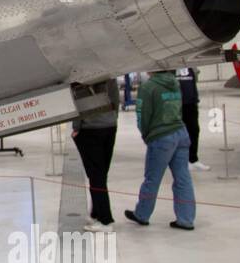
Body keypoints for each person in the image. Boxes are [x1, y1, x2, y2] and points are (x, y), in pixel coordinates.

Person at [125, 70, 196, 230]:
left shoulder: (148, 87)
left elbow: (142, 115)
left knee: (152, 178)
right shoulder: (175, 83)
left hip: (162, 137)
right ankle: (186, 219)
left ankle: (142, 214)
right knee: (183, 178)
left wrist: (146, 135)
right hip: (180, 132)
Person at [72, 80, 119, 232]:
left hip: (91, 128)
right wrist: (113, 116)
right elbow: (115, 97)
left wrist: (76, 127)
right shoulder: (109, 75)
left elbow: (76, 99)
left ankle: (105, 220)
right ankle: (96, 213)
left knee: (96, 175)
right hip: (109, 125)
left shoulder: (79, 75)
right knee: (101, 173)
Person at [178, 67, 209, 171]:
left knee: (194, 130)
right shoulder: (172, 67)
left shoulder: (190, 67)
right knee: (181, 134)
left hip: (191, 103)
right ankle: (182, 161)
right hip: (178, 105)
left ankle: (193, 159)